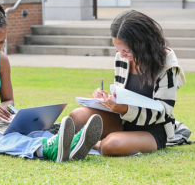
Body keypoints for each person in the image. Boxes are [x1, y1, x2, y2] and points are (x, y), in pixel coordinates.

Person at [0, 1, 103, 162]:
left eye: (2, 42)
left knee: (29, 129)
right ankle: (45, 149)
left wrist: (5, 109)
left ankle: (70, 143)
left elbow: (8, 100)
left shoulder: (1, 60)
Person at [69, 10, 186, 156]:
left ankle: (86, 143)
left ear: (144, 42)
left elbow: (163, 112)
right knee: (77, 116)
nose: (122, 55)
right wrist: (107, 99)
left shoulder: (167, 65)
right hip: (122, 121)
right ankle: (74, 141)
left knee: (111, 145)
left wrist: (124, 109)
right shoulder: (122, 58)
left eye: (126, 50)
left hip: (152, 129)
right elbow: (123, 95)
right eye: (118, 49)